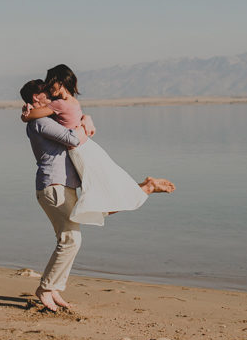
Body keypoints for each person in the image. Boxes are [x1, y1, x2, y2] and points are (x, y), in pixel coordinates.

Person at [22, 64, 175, 226]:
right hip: (87, 150)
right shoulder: (54, 112)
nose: (47, 89)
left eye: (48, 85)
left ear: (60, 83)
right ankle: (146, 187)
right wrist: (85, 120)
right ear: (36, 97)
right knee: (99, 199)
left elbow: (67, 135)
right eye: (43, 88)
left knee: (96, 202)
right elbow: (64, 121)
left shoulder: (56, 106)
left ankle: (147, 187)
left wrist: (25, 115)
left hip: (82, 152)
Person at [20, 79, 86, 312]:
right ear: (36, 99)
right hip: (53, 186)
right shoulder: (40, 121)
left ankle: (54, 287)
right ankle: (46, 288)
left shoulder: (42, 119)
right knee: (71, 239)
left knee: (68, 239)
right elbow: (73, 139)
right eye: (46, 94)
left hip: (63, 186)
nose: (51, 96)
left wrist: (84, 119)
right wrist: (83, 123)